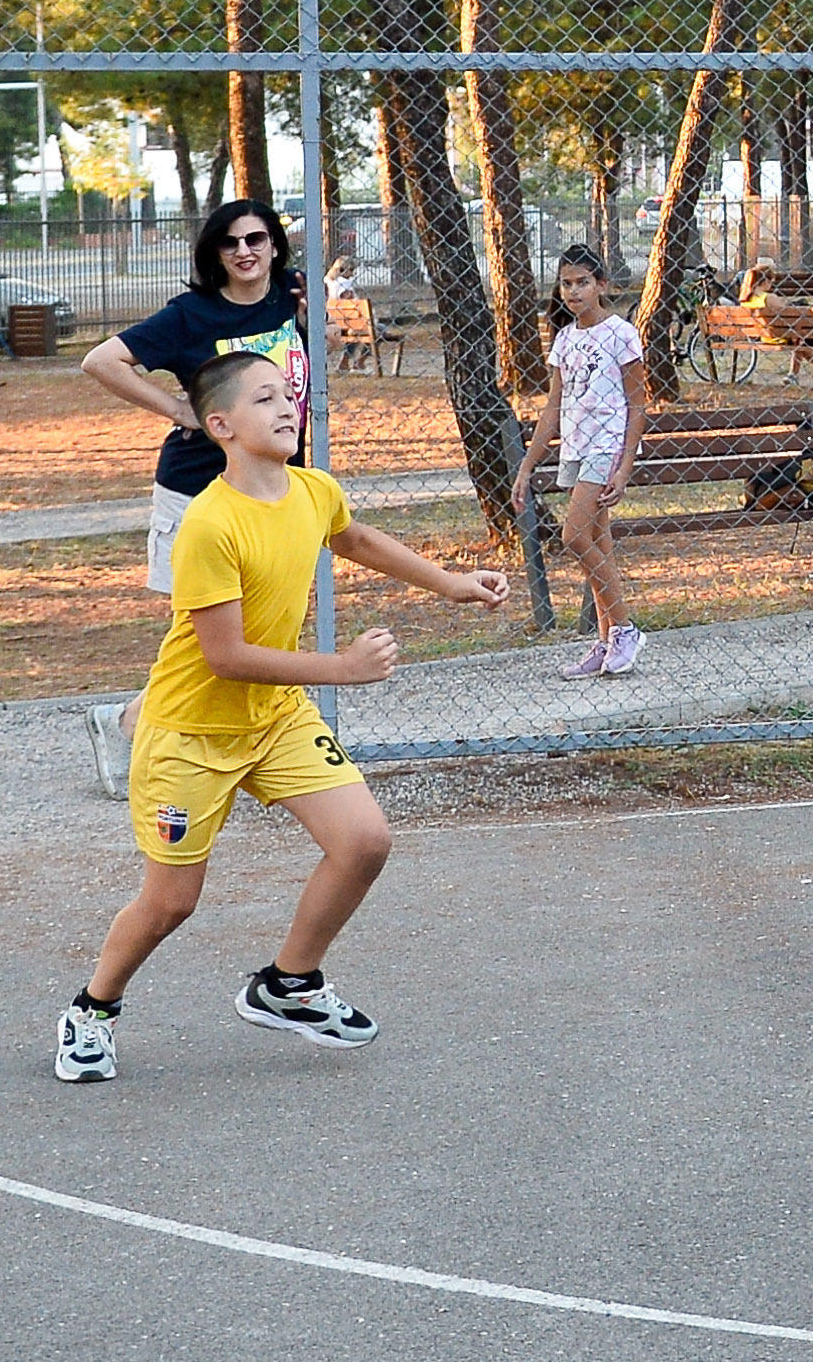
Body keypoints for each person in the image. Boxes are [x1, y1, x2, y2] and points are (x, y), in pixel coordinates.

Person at [56, 350, 508, 1083]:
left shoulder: (313, 488)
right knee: (170, 903)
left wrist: (449, 582)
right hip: (192, 733)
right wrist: (343, 669)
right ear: (222, 425)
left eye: (288, 393)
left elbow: (353, 538)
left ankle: (289, 983)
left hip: (277, 718)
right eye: (264, 398)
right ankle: (92, 1009)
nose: (286, 405)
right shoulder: (209, 525)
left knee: (363, 841)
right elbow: (226, 655)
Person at [76, 198, 306, 797]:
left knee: (259, 629)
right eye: (230, 243)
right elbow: (102, 361)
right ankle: (129, 725)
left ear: (275, 245)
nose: (244, 252)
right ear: (214, 253)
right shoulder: (192, 315)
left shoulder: (292, 297)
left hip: (274, 489)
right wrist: (181, 410)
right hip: (200, 489)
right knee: (208, 638)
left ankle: (212, 739)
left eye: (256, 239)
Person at [513, 245, 652, 679]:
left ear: (601, 285)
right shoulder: (565, 338)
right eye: (566, 284)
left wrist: (624, 467)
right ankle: (607, 639)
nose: (574, 292)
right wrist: (527, 467)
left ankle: (626, 628)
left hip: (607, 448)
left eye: (583, 283)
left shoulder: (620, 333)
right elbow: (553, 408)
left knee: (574, 535)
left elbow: (638, 405)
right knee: (597, 543)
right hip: (575, 447)